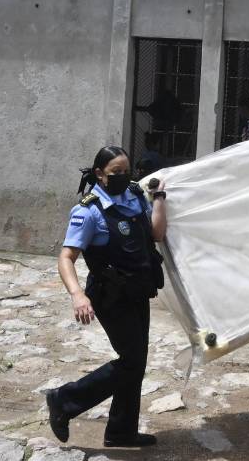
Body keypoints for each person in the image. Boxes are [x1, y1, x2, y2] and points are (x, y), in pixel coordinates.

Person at [45, 145, 168, 448]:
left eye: (127, 172)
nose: (124, 178)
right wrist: (77, 296)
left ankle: (121, 432)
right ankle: (64, 399)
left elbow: (157, 235)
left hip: (138, 291)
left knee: (136, 362)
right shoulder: (88, 211)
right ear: (100, 175)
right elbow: (66, 258)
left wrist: (160, 200)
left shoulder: (136, 197)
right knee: (131, 361)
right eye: (116, 173)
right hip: (109, 296)